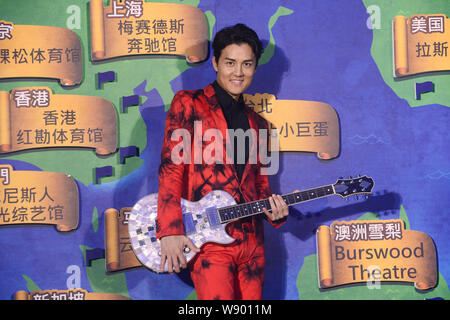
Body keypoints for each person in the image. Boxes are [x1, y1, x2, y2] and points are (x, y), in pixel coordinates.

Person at [156, 23, 290, 300]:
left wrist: (276, 212)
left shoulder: (261, 126)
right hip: (210, 241)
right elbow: (171, 169)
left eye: (247, 64)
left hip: (253, 243)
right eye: (230, 62)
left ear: (255, 67)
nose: (238, 72)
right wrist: (169, 231)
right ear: (216, 62)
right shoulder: (189, 104)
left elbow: (260, 186)